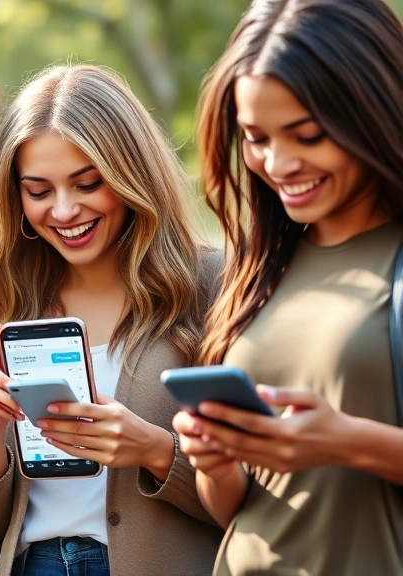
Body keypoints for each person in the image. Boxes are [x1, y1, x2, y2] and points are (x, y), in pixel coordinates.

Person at [0, 65, 224, 576]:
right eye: (38, 191)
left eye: (87, 183)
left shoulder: (213, 284)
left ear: (130, 175)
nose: (64, 210)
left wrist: (153, 449)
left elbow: (256, 491)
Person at [175, 0, 403, 574]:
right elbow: (233, 509)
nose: (279, 164)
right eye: (256, 138)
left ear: (372, 113)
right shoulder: (261, 267)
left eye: (305, 135)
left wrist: (348, 441)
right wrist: (215, 461)